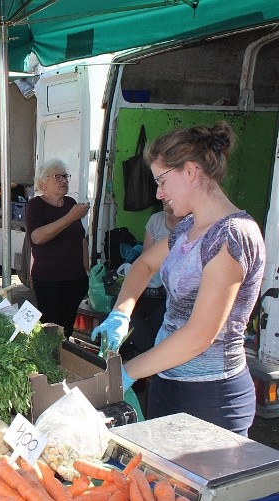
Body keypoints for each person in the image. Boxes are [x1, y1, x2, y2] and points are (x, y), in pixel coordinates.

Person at [91, 122, 265, 436]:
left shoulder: (232, 235)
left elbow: (200, 335)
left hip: (211, 396)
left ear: (190, 171)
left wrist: (127, 372)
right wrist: (121, 312)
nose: (159, 193)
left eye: (162, 181)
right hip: (166, 382)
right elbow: (144, 265)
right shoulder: (187, 229)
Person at [25, 158, 90, 338]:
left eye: (65, 176)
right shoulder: (36, 205)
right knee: (51, 329)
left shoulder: (70, 203)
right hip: (50, 280)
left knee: (68, 328)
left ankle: (64, 360)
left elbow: (81, 239)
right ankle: (50, 362)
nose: (64, 180)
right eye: (58, 177)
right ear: (43, 183)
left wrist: (86, 269)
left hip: (75, 278)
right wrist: (70, 217)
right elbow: (36, 237)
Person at [119, 201, 183, 362]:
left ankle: (144, 358)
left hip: (175, 292)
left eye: (164, 185)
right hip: (153, 286)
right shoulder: (156, 220)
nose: (159, 195)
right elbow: (145, 260)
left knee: (160, 317)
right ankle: (141, 357)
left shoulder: (195, 225)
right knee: (126, 311)